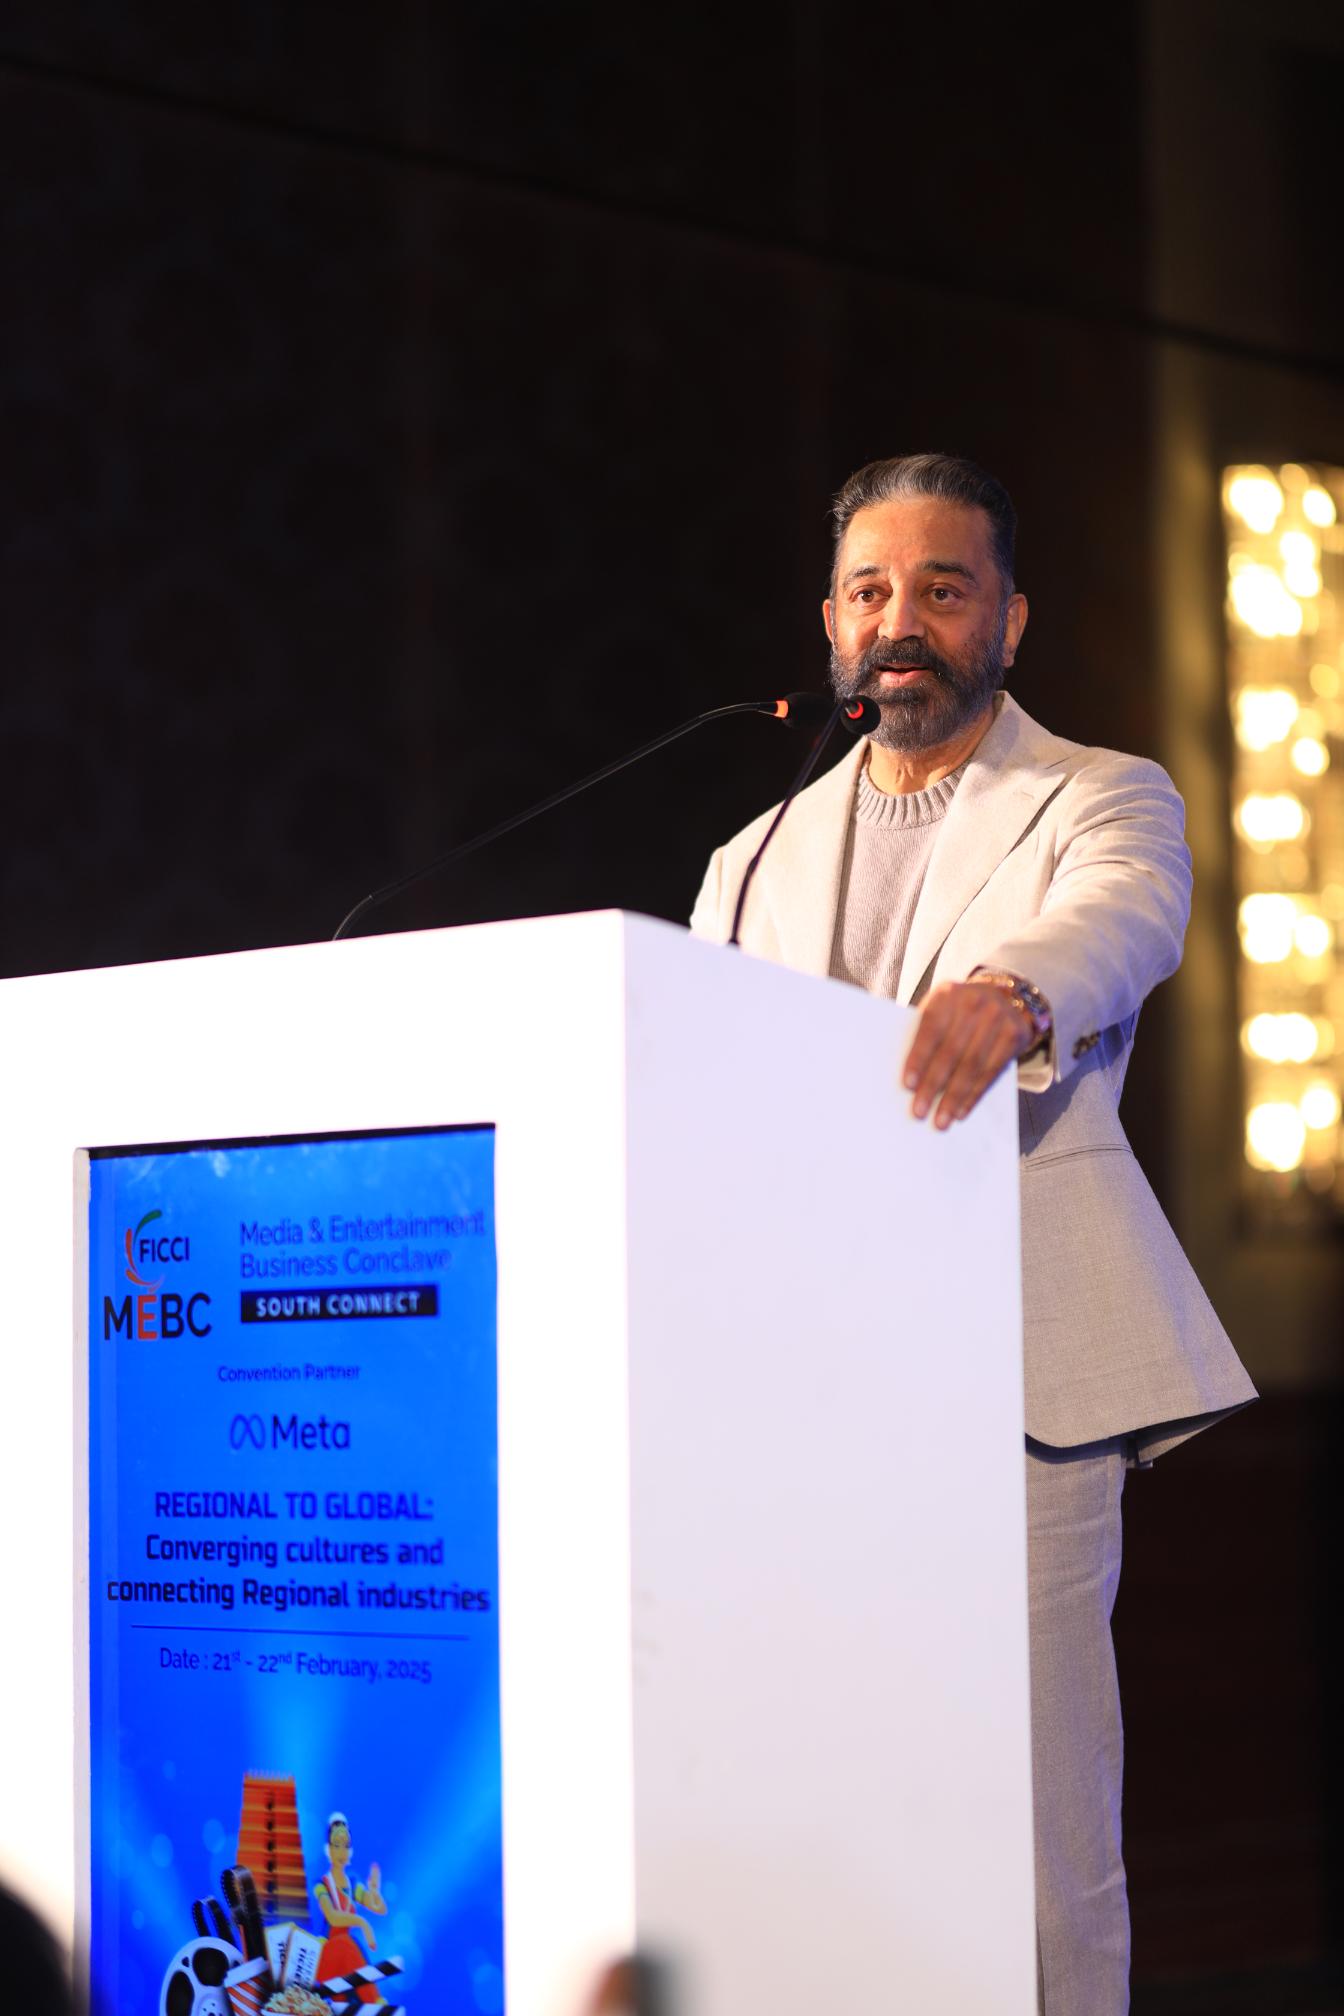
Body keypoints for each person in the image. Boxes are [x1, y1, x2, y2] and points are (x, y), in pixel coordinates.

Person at [689, 453, 1256, 2015]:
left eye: (943, 589)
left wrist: (1014, 991)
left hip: (1019, 1369)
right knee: (829, 1786)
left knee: (1034, 1811)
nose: (903, 621)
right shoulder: (749, 861)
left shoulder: (1101, 796)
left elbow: (1121, 922)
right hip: (808, 1385)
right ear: (830, 624)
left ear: (1008, 618)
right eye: (871, 590)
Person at [314, 1810, 388, 2004]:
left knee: (349, 1949)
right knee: (347, 1944)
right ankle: (374, 2002)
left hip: (345, 1957)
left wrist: (374, 1891)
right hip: (327, 1953)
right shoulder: (322, 1885)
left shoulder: (352, 1883)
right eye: (336, 1845)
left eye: (346, 1846)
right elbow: (332, 1917)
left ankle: (366, 2004)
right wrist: (362, 1923)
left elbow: (379, 1909)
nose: (342, 1851)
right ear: (328, 1850)